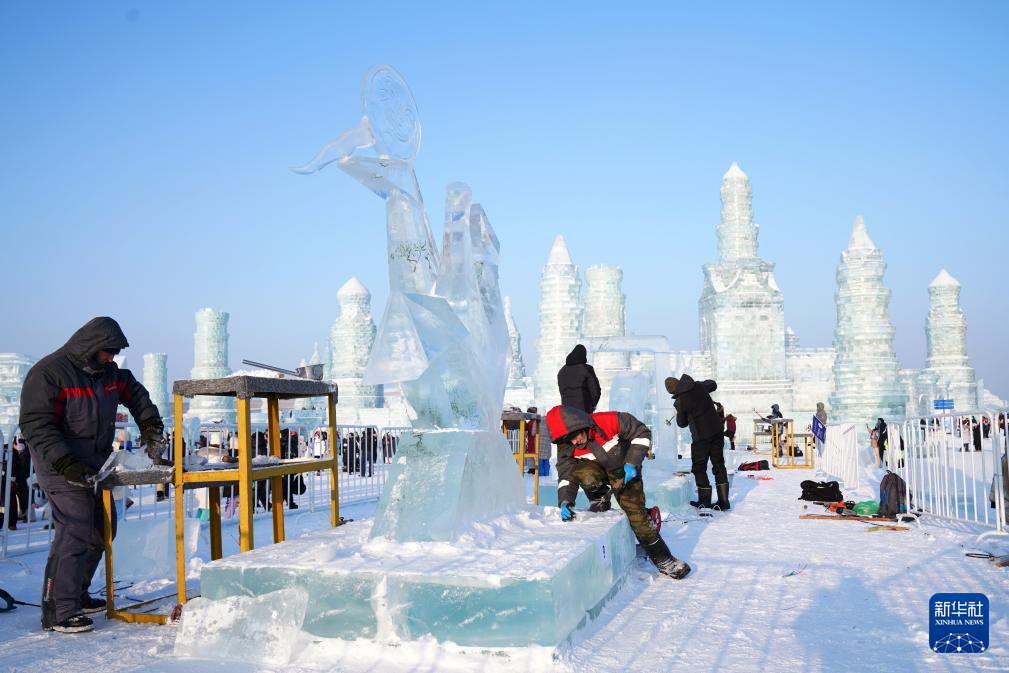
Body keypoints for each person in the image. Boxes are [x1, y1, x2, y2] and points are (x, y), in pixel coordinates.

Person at [19, 317, 164, 633]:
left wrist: (151, 426)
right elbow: (35, 424)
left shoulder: (110, 374)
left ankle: (77, 593)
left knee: (102, 529)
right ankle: (58, 608)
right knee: (75, 527)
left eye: (114, 352)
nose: (112, 358)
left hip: (97, 463)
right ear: (90, 347)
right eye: (107, 352)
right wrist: (66, 463)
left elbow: (137, 396)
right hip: (59, 464)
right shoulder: (49, 373)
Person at [546, 405, 690, 579]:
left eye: (574, 436)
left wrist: (632, 462)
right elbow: (566, 475)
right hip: (597, 470)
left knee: (636, 516)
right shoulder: (566, 444)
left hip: (624, 467)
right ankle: (599, 498)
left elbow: (642, 433)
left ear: (580, 425)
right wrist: (565, 501)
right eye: (569, 440)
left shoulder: (609, 421)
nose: (574, 442)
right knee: (584, 474)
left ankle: (665, 560)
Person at [668, 375, 730, 511]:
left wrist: (680, 409)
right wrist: (701, 387)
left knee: (699, 468)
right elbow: (713, 384)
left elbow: (681, 423)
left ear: (673, 392)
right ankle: (724, 501)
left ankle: (704, 501)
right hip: (717, 431)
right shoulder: (699, 385)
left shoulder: (680, 401)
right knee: (718, 464)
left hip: (702, 436)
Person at [556, 344, 601, 413]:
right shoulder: (586, 369)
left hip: (567, 413)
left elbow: (562, 392)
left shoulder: (561, 371)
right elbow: (596, 391)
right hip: (584, 411)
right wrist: (591, 406)